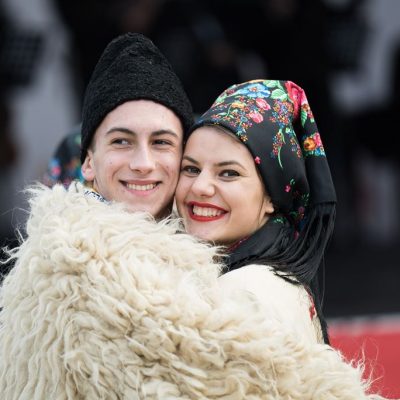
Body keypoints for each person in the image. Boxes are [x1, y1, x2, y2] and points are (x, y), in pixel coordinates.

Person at [0, 33, 383, 398]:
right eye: (121, 141)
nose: (143, 163)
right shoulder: (70, 268)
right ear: (87, 162)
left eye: (162, 143)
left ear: (273, 194)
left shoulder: (248, 290)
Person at [176, 79, 336, 344]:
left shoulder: (245, 295)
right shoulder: (265, 276)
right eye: (191, 169)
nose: (200, 187)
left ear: (274, 195)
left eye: (229, 173)